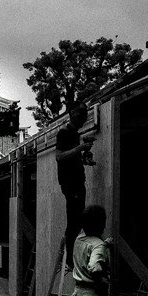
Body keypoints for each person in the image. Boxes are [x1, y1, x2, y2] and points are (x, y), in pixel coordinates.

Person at [55, 102, 94, 269]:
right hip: (70, 182)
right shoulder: (64, 132)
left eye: (84, 117)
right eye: (79, 115)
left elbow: (71, 158)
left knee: (78, 219)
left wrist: (85, 158)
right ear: (71, 113)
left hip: (77, 180)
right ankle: (70, 259)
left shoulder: (75, 133)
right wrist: (80, 148)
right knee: (74, 221)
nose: (82, 119)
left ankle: (71, 255)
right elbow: (59, 156)